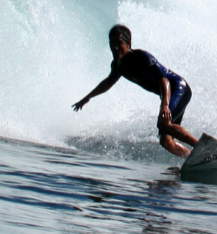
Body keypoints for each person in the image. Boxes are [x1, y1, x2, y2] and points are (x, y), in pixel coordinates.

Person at [73, 24, 200, 158]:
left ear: (128, 44)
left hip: (178, 89)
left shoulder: (141, 58)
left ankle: (201, 147)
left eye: (119, 43)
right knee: (165, 140)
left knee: (164, 124)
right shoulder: (118, 65)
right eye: (112, 44)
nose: (115, 48)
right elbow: (107, 83)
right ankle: (193, 158)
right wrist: (87, 98)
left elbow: (164, 80)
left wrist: (164, 105)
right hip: (169, 95)